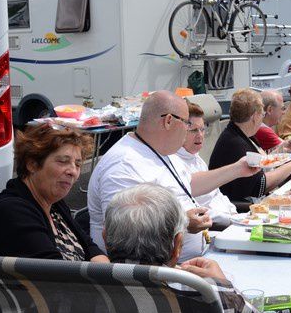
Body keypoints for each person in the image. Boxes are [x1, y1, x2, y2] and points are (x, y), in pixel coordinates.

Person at [102, 183, 291, 313]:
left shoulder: (71, 292)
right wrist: (228, 289)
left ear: (105, 239)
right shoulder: (210, 295)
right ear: (177, 245)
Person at [88, 91, 260, 262]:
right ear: (169, 121)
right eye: (187, 123)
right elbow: (125, 231)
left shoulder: (162, 151)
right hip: (161, 273)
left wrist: (238, 169)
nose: (188, 130)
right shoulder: (123, 165)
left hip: (193, 257)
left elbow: (188, 183)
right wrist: (183, 222)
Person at [0, 124, 108, 262]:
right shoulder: (12, 211)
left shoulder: (54, 204)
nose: (73, 171)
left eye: (77, 164)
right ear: (32, 164)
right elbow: (52, 276)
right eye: (63, 161)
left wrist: (102, 273)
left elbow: (92, 248)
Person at [209, 88, 291, 202]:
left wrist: (282, 150)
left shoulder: (240, 134)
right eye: (262, 114)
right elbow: (259, 186)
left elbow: (262, 164)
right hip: (243, 206)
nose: (263, 119)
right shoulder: (236, 144)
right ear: (254, 116)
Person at [175, 102, 237, 227]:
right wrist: (232, 219)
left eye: (202, 129)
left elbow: (217, 194)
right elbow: (197, 209)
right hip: (215, 226)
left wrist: (234, 213)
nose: (200, 135)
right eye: (193, 130)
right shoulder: (175, 163)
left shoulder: (196, 158)